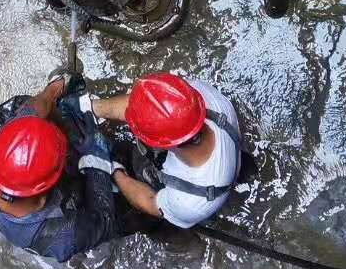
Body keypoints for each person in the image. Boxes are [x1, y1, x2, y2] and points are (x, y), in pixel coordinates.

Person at [0, 73, 138, 262]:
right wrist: (97, 160)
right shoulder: (64, 235)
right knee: (127, 199)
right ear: (46, 190)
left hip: (20, 197)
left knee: (23, 105)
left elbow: (30, 113)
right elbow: (103, 217)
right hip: (72, 213)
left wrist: (53, 90)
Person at [87, 72, 242, 229]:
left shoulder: (188, 203)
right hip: (227, 159)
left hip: (202, 198)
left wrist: (113, 170)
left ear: (160, 145)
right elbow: (154, 102)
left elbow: (149, 201)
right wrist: (91, 108)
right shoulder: (203, 97)